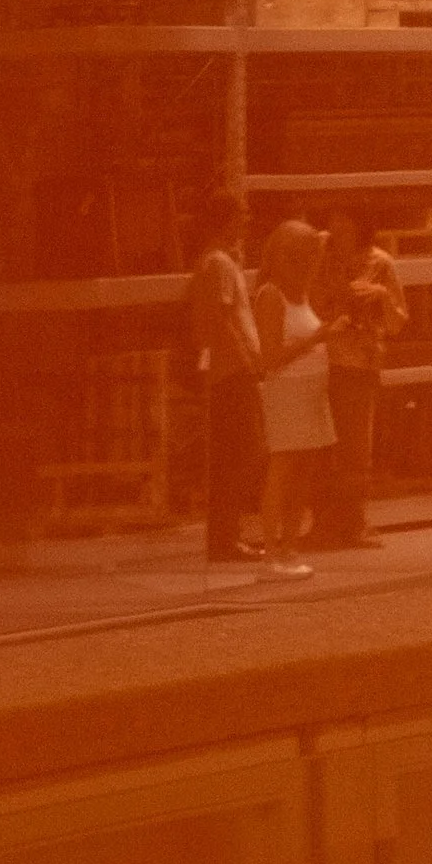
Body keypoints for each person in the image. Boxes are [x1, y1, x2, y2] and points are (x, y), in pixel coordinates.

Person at [310, 204, 407, 550]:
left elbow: (397, 321)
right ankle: (323, 523)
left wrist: (381, 295)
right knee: (320, 448)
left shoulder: (380, 264)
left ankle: (352, 523)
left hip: (358, 363)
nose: (334, 228)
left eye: (342, 221)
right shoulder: (320, 254)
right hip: (319, 358)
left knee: (354, 450)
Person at [251, 218, 335, 581]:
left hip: (310, 392)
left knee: (302, 473)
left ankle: (289, 547)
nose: (316, 265)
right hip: (286, 392)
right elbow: (269, 358)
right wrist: (317, 340)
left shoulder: (302, 295)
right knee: (282, 470)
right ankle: (272, 553)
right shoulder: (272, 295)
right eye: (310, 257)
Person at [188, 192, 265, 564]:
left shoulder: (214, 261)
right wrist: (247, 358)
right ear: (227, 220)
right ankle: (226, 537)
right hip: (234, 373)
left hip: (227, 372)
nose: (247, 222)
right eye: (242, 216)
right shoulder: (219, 263)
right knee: (242, 454)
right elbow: (222, 317)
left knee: (233, 456)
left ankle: (225, 536)